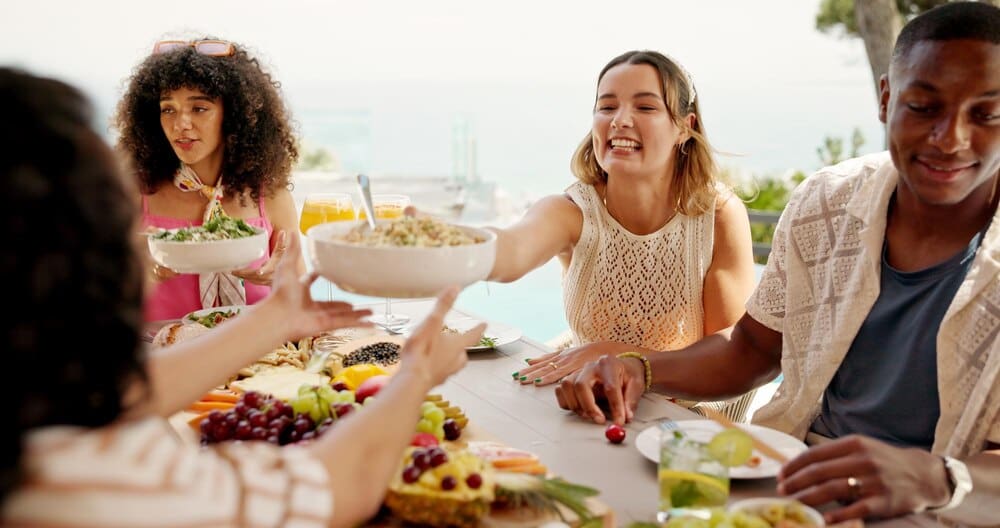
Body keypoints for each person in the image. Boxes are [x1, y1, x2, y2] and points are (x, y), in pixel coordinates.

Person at [555, 3, 1000, 525]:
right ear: (886, 100)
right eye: (923, 107)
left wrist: (934, 477)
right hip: (789, 491)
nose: (950, 138)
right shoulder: (827, 203)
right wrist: (640, 367)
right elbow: (750, 350)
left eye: (987, 114)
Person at [0, 67, 485, 527]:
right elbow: (340, 486)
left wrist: (273, 320)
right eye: (116, 220)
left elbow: (116, 395)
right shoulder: (91, 484)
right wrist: (417, 374)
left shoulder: (38, 402)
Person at [492, 50, 756, 415]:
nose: (620, 120)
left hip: (687, 419)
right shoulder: (571, 210)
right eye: (607, 106)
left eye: (645, 108)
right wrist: (432, 238)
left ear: (684, 127)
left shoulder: (720, 216)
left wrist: (614, 354)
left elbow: (730, 356)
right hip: (591, 406)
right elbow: (509, 252)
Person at [115, 37, 303, 321]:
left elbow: (301, 301)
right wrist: (140, 274)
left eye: (199, 108)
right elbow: (100, 307)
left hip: (260, 360)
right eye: (168, 109)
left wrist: (283, 279)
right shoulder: (133, 194)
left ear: (234, 115)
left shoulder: (270, 195)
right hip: (163, 359)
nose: (181, 125)